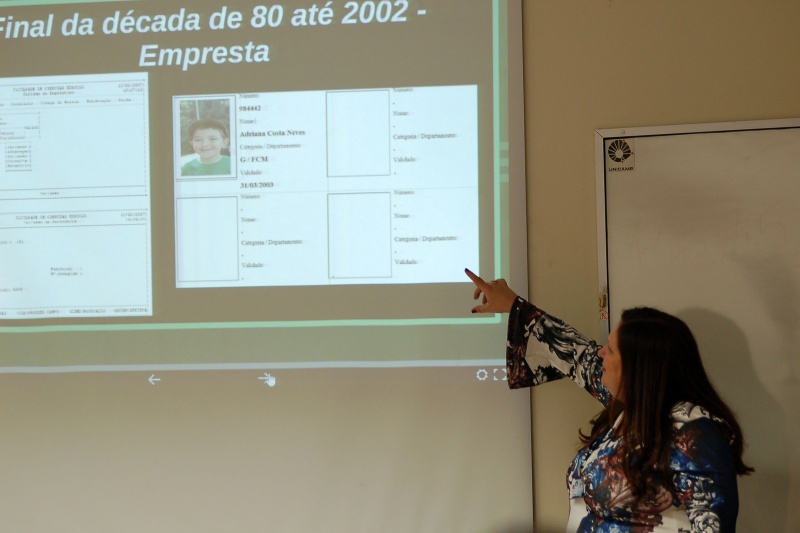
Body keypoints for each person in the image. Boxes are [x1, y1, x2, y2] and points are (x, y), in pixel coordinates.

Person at [465, 268, 753, 533]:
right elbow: (578, 355)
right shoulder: (632, 410)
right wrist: (513, 303)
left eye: (612, 350)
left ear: (640, 368)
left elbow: (713, 526)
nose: (601, 353)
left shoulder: (694, 433)